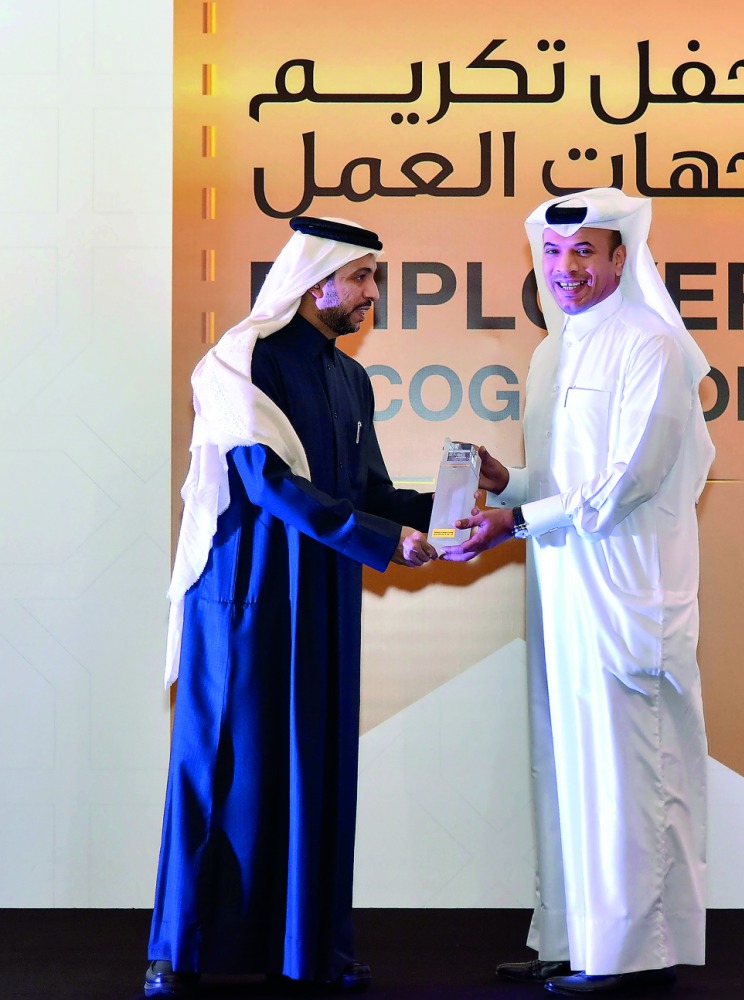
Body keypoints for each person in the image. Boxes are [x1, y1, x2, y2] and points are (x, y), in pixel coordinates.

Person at [145, 216, 437, 998]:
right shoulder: (240, 362)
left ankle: (309, 948)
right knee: (221, 767)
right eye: (364, 278)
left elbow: (367, 494)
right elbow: (269, 484)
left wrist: (448, 509)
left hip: (323, 591)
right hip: (244, 595)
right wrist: (384, 541)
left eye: (376, 278)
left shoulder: (350, 378)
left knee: (314, 765)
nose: (373, 293)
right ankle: (179, 952)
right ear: (318, 283)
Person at [441, 188, 715, 996]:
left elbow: (626, 482)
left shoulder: (652, 347)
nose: (566, 270)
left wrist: (520, 520)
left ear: (622, 258)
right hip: (559, 591)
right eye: (555, 255)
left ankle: (633, 951)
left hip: (627, 589)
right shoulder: (553, 353)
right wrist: (509, 486)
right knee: (563, 763)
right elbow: (566, 482)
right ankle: (571, 936)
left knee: (630, 767)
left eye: (585, 253)